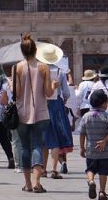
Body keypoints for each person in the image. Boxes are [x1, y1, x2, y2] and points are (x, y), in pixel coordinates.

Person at [13, 33, 58, 194]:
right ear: (35, 50)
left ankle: (27, 183)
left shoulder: (17, 67)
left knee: (25, 147)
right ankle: (37, 182)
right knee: (37, 145)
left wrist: (13, 83)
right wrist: (53, 85)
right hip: (40, 112)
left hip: (22, 113)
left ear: (22, 51)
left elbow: (17, 94)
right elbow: (48, 93)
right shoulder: (44, 67)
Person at [38, 44, 73, 179]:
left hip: (43, 105)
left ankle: (43, 169)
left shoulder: (40, 71)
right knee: (56, 138)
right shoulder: (60, 72)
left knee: (44, 139)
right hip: (56, 105)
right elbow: (66, 93)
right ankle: (54, 169)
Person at [80, 89, 108, 200]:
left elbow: (82, 133)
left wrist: (82, 148)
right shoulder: (106, 116)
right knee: (103, 171)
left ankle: (91, 181)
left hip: (91, 150)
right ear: (103, 104)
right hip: (105, 151)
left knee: (90, 169)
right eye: (107, 103)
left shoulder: (86, 116)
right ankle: (102, 192)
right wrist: (105, 140)